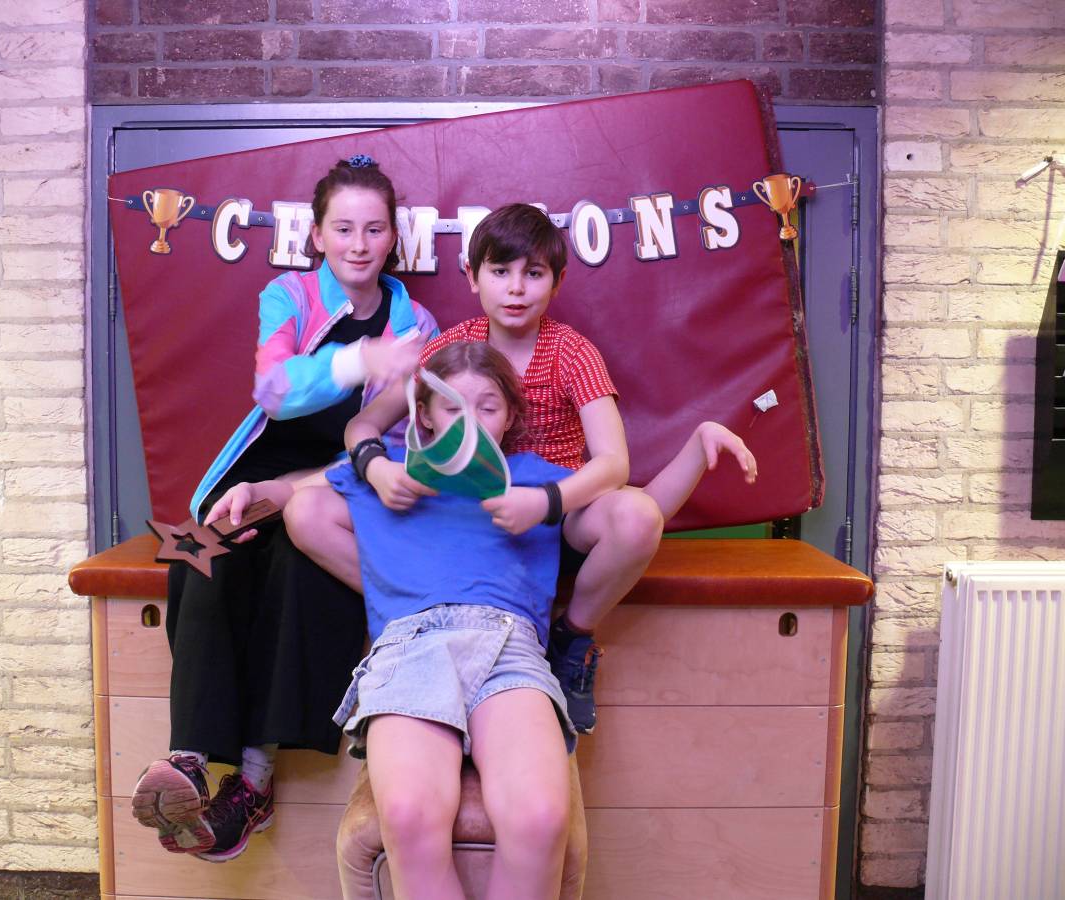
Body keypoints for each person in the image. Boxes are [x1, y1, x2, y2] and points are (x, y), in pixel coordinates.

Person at [287, 202, 756, 736]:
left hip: (552, 512)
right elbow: (363, 425)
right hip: (459, 517)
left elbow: (613, 463)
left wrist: (544, 502)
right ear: (473, 276)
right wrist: (376, 470)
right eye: (500, 271)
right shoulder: (450, 349)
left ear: (556, 282)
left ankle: (571, 638)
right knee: (307, 513)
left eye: (533, 274)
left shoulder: (572, 353)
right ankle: (414, 604)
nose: (515, 288)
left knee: (637, 516)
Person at [130, 156, 438, 863]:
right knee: (197, 551)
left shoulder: (415, 324)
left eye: (374, 229)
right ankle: (189, 759)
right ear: (318, 236)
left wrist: (294, 491)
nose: (359, 244)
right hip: (251, 477)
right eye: (343, 229)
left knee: (298, 575)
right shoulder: (288, 296)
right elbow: (275, 389)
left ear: (393, 237)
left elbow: (391, 446)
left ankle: (254, 780)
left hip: (336, 487)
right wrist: (361, 361)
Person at [307, 341, 577, 899]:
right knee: (407, 815)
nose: (470, 421)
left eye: (488, 407)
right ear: (425, 414)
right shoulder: (391, 472)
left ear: (511, 417)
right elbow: (301, 502)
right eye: (453, 407)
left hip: (508, 644)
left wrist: (697, 451)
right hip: (413, 643)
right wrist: (250, 490)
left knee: (541, 819)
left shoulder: (535, 478)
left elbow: (632, 510)